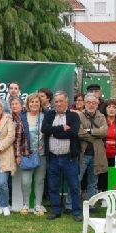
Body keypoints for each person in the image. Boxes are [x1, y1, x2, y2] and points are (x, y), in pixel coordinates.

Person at [42, 91, 82, 221]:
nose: (58, 104)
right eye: (56, 101)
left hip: (69, 158)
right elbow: (44, 129)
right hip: (53, 157)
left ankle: (76, 212)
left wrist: (54, 133)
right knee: (53, 186)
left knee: (74, 186)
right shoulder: (49, 115)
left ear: (67, 101)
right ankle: (56, 210)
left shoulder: (74, 116)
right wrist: (61, 127)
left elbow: (73, 132)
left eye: (61, 101)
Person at [77, 93, 108, 210]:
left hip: (97, 154)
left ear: (97, 104)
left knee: (93, 182)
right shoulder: (79, 116)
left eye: (94, 103)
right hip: (83, 154)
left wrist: (89, 130)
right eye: (88, 102)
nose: (91, 105)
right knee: (77, 180)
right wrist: (95, 135)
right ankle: (71, 205)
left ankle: (91, 205)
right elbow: (79, 132)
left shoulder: (101, 117)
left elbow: (104, 132)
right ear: (84, 104)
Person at [19, 93, 47, 216]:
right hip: (26, 153)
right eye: (32, 102)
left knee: (39, 180)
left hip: (42, 153)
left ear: (40, 104)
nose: (34, 104)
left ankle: (38, 205)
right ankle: (25, 204)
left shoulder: (46, 116)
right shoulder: (22, 117)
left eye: (37, 102)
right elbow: (17, 137)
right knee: (26, 181)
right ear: (27, 104)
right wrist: (18, 154)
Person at [98, 99, 116, 192]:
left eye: (114, 107)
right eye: (109, 107)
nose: (111, 109)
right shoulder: (100, 122)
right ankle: (103, 194)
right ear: (105, 109)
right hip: (103, 155)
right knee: (103, 176)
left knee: (115, 176)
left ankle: (113, 194)